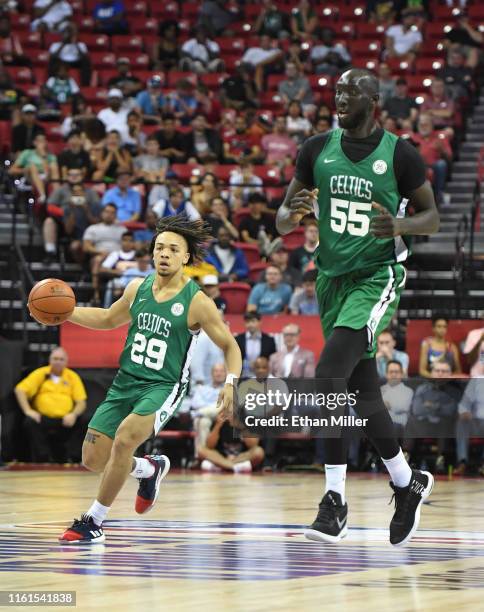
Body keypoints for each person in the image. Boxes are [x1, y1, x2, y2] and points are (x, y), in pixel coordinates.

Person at [276, 68, 440, 546]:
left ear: (373, 99)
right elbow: (285, 218)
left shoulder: (400, 154)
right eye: (336, 93)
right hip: (330, 281)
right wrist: (295, 211)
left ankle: (334, 503)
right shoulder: (315, 149)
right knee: (363, 392)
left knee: (328, 376)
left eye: (348, 92)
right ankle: (407, 483)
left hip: (375, 278)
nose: (338, 99)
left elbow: (431, 216)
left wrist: (401, 227)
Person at [58, 216, 242, 543]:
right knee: (93, 459)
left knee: (126, 438)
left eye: (173, 249)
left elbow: (230, 345)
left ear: (186, 257)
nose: (164, 254)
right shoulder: (136, 287)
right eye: (159, 248)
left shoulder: (197, 301)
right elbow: (107, 318)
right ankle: (148, 469)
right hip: (125, 381)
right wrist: (67, 313)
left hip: (163, 386)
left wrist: (231, 381)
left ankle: (93, 521)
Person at [14, 347, 87, 463]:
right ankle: (43, 457)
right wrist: (28, 411)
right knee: (29, 422)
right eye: (55, 358)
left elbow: (81, 402)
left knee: (85, 421)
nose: (58, 361)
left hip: (65, 419)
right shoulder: (40, 373)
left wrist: (73, 414)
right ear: (50, 360)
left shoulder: (72, 376)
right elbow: (20, 390)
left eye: (61, 359)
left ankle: (73, 457)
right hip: (43, 418)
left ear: (66, 362)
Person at [407, 360, 460, 474]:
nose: (440, 373)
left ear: (450, 375)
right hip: (423, 425)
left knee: (445, 421)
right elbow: (417, 409)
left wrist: (430, 406)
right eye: (437, 371)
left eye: (444, 371)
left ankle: (441, 459)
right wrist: (439, 407)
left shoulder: (454, 391)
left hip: (443, 426)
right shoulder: (422, 389)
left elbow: (451, 410)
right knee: (411, 420)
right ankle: (406, 455)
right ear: (431, 373)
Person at [44, 167, 101, 262]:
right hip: (64, 221)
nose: (74, 177)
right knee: (49, 221)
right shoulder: (61, 190)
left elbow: (97, 212)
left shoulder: (91, 192)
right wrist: (67, 211)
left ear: (82, 176)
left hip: (88, 224)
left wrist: (86, 209)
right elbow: (50, 206)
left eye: (77, 175)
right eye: (71, 175)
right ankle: (50, 252)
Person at [82, 203, 128, 305]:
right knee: (97, 259)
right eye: (107, 212)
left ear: (116, 215)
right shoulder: (93, 228)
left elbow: (127, 245)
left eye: (112, 213)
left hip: (118, 258)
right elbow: (86, 247)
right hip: (100, 256)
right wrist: (101, 252)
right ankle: (96, 294)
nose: (109, 215)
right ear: (102, 213)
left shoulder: (122, 230)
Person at [198, 409, 264, 473]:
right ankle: (233, 467)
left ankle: (222, 466)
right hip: (221, 457)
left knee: (258, 452)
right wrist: (218, 425)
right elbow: (209, 446)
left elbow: (253, 444)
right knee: (201, 450)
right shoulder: (219, 421)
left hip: (241, 458)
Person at [411, 114, 453, 207]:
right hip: (418, 166)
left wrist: (442, 149)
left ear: (432, 125)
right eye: (421, 125)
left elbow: (449, 156)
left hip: (433, 166)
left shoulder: (440, 136)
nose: (423, 127)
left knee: (441, 164)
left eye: (426, 124)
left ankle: (439, 193)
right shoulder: (413, 137)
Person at [8, 132, 59, 203]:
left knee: (53, 165)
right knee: (32, 166)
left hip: (47, 177)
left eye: (44, 141)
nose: (42, 143)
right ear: (34, 143)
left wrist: (43, 156)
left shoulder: (51, 156)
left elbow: (49, 171)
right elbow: (11, 170)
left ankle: (57, 195)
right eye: (40, 141)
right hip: (30, 177)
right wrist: (25, 170)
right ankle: (42, 195)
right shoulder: (27, 153)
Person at [191, 363, 227, 457]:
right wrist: (212, 406)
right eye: (216, 371)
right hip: (207, 417)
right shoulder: (202, 388)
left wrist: (204, 409)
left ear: (225, 374)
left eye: (221, 371)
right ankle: (203, 456)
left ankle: (200, 413)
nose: (219, 374)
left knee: (224, 404)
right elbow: (195, 403)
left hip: (222, 416)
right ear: (211, 374)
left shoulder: (228, 390)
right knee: (203, 422)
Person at [454, 378, 484, 476]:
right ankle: (462, 462)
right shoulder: (477, 381)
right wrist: (464, 412)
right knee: (461, 423)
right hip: (476, 421)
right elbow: (463, 404)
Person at [47, 22, 91, 86]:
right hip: (62, 62)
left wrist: (75, 43)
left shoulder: (81, 45)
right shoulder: (56, 45)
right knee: (53, 59)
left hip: (76, 63)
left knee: (86, 60)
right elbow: (53, 55)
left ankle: (85, 84)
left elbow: (83, 56)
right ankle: (52, 82)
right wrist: (63, 43)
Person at [235, 311, 276, 377]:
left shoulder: (269, 340)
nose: (250, 324)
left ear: (260, 322)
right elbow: (235, 359)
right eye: (247, 322)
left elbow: (272, 360)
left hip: (262, 378)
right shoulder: (238, 339)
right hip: (243, 376)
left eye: (253, 321)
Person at [380, 360, 414, 439]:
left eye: (397, 372)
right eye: (391, 372)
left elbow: (403, 407)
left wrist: (386, 405)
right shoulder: (380, 389)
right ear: (386, 374)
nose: (394, 374)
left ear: (401, 374)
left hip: (397, 423)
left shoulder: (408, 391)